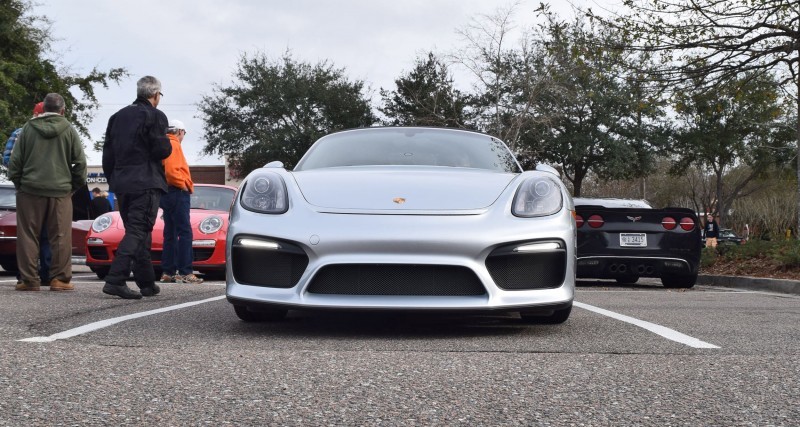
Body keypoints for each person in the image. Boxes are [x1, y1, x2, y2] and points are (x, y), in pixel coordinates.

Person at [101, 76, 172, 299]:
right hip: (146, 181)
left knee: (139, 232)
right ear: (155, 95)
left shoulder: (117, 116)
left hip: (122, 182)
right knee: (138, 230)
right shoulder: (155, 115)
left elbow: (108, 154)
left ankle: (147, 283)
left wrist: (115, 179)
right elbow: (161, 150)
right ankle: (115, 279)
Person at [8, 93, 87, 291]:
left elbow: (15, 162)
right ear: (63, 110)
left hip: (29, 190)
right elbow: (80, 162)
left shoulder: (27, 128)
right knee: (60, 236)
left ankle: (29, 280)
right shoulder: (69, 129)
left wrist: (20, 183)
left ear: (43, 109)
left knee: (27, 235)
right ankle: (60, 279)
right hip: (60, 191)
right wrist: (72, 186)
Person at [3, 102, 52, 286]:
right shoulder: (60, 133)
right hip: (52, 190)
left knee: (28, 233)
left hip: (27, 189)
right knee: (48, 234)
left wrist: (20, 179)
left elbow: (8, 160)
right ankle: (48, 273)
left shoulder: (20, 132)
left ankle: (26, 275)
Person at [159, 119, 203, 284]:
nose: (184, 135)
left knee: (169, 233)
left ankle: (168, 272)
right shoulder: (174, 144)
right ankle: (186, 271)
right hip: (177, 192)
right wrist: (183, 185)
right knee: (185, 232)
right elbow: (171, 171)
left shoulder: (162, 144)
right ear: (179, 131)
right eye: (184, 132)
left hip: (165, 193)